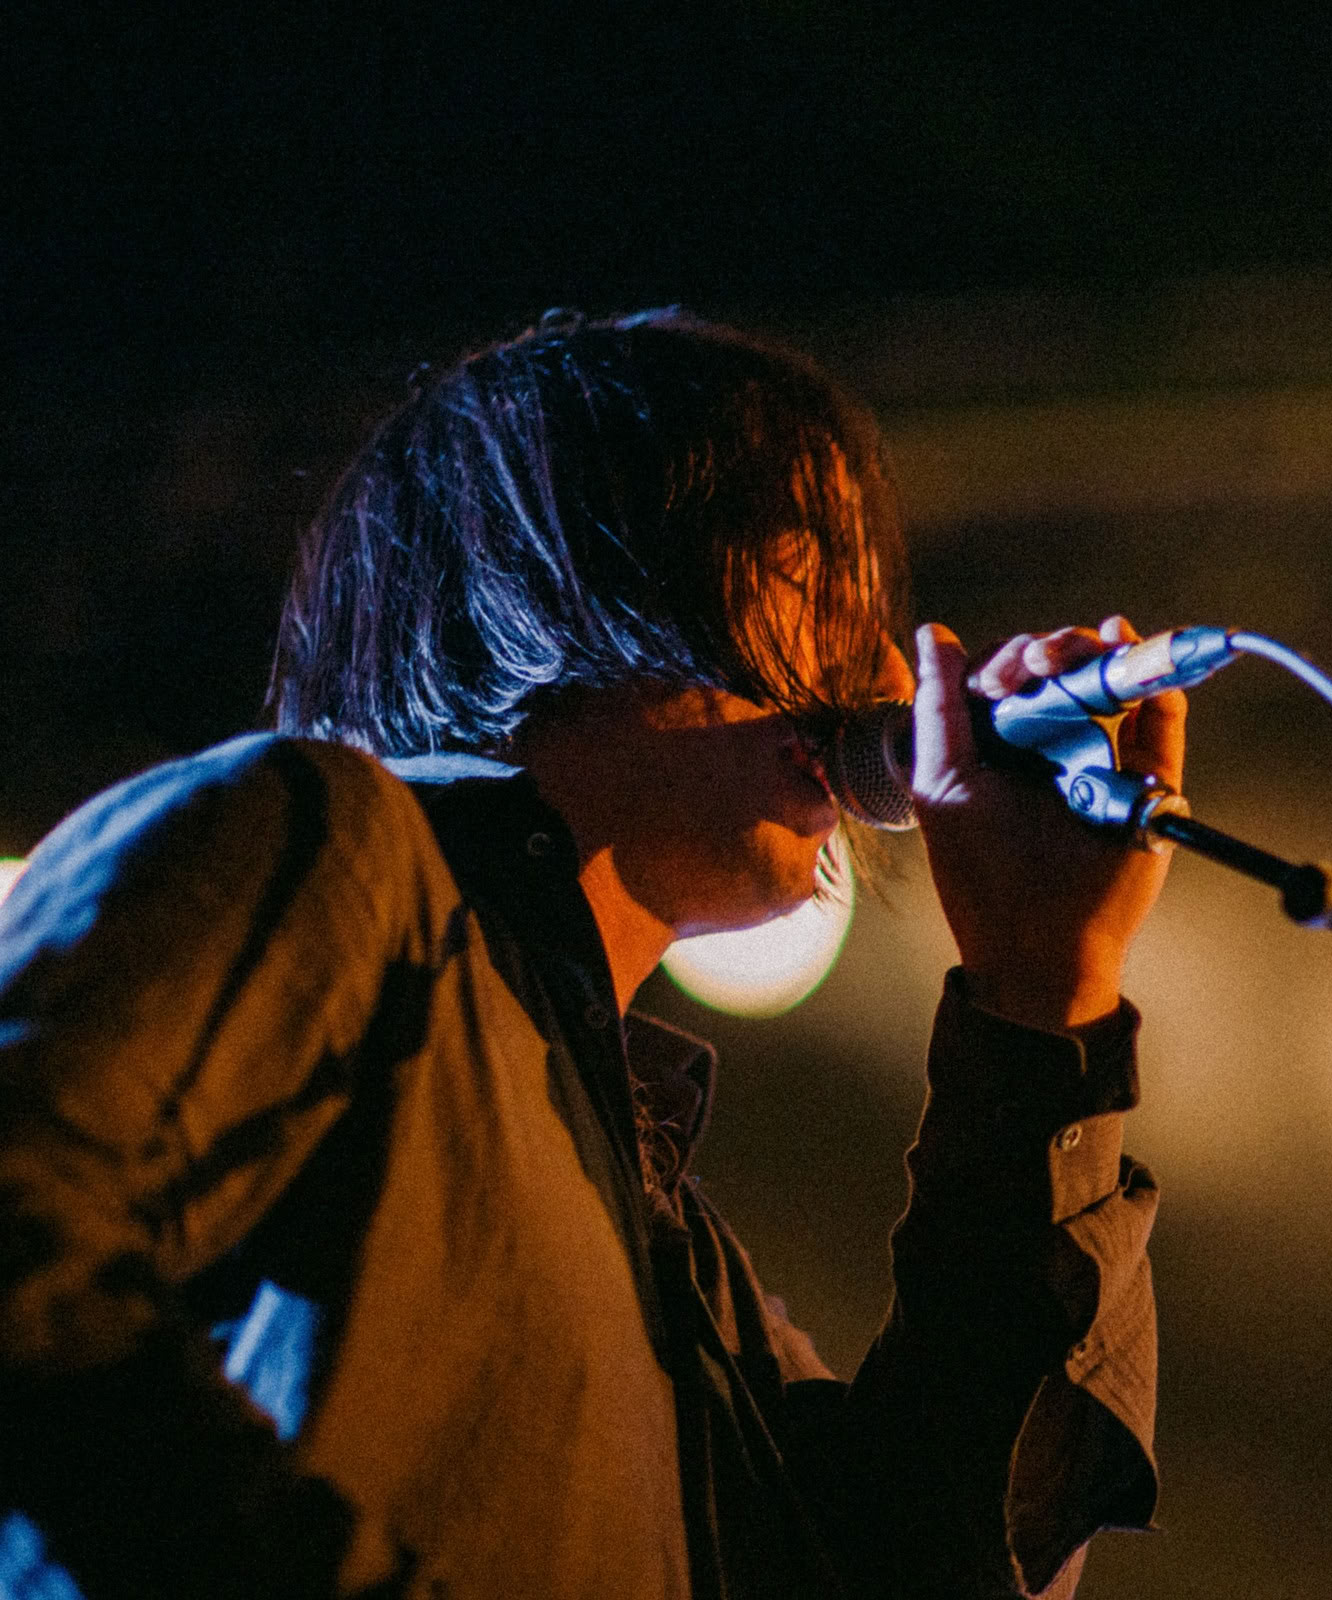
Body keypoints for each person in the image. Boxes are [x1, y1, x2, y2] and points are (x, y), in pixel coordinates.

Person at [0, 310, 1181, 1599]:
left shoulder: (701, 1285)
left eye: (858, 581)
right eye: (790, 550)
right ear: (554, 563)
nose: (859, 639)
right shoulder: (320, 850)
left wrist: (1040, 993)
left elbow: (943, 1565)